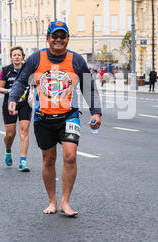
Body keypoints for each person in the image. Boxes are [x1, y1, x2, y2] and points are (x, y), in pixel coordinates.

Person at [8, 21, 102, 217]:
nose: (58, 40)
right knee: (48, 159)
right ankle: (52, 200)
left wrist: (96, 112)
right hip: (43, 118)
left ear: (68, 39)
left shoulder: (76, 60)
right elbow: (21, 80)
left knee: (70, 156)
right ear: (48, 38)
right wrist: (13, 99)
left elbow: (88, 88)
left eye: (63, 36)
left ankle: (65, 202)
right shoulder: (36, 58)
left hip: (69, 115)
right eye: (55, 36)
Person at [0, 46, 32, 172]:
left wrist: (33, 93)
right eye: (14, 55)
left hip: (25, 103)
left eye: (19, 55)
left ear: (23, 57)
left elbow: (33, 84)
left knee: (24, 131)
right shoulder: (6, 70)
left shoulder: (28, 70)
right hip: (9, 103)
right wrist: (9, 91)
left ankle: (23, 161)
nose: (17, 57)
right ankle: (8, 151)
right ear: (11, 57)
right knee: (10, 134)